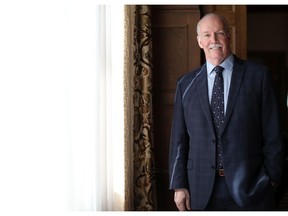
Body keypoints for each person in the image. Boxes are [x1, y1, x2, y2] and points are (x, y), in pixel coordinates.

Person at [169, 13, 284, 211]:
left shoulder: (258, 77)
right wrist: (179, 184)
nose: (213, 40)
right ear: (199, 41)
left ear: (228, 36)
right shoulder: (185, 84)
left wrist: (271, 180)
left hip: (251, 189)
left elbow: (273, 134)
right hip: (200, 191)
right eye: (206, 35)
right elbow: (179, 141)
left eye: (219, 33)